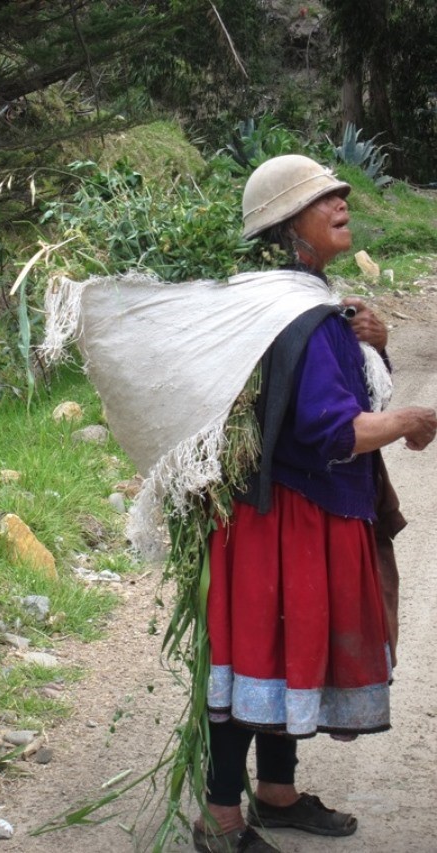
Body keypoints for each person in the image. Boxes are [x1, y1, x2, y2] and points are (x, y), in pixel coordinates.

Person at [192, 154, 437, 853]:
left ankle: (276, 793)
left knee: (282, 651)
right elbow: (334, 428)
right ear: (287, 226)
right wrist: (412, 420)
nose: (342, 197)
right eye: (322, 195)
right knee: (259, 659)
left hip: (292, 511)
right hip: (285, 518)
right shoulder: (303, 315)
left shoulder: (306, 305)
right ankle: (220, 818)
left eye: (338, 189)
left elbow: (348, 398)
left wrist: (380, 345)